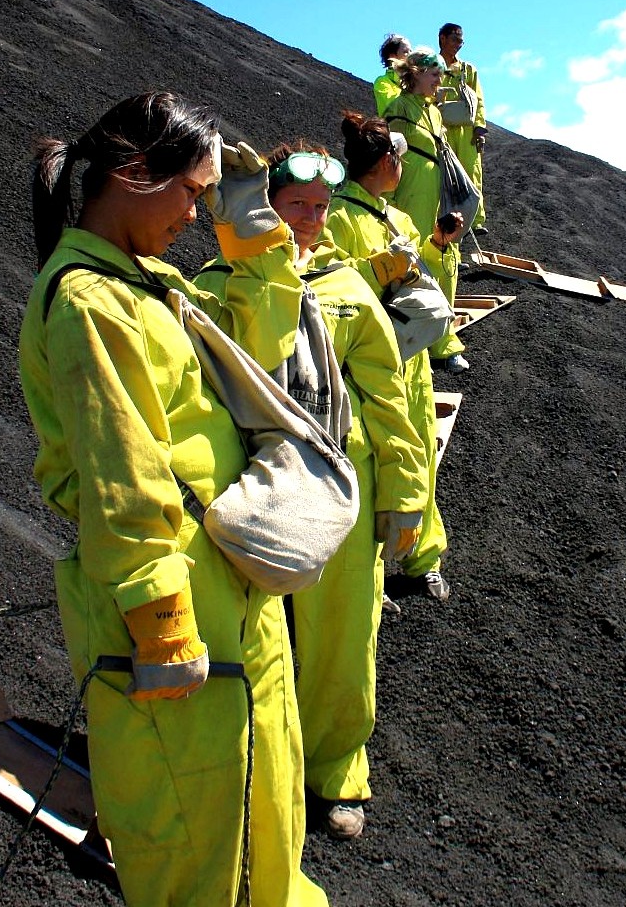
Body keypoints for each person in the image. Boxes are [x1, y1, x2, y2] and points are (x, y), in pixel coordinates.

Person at [18, 92, 372, 907]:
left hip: (235, 584)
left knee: (271, 779)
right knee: (185, 809)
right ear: (136, 172)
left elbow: (258, 341)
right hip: (165, 597)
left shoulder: (149, 284)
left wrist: (254, 233)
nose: (197, 212)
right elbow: (122, 481)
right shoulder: (89, 301)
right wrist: (162, 623)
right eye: (196, 191)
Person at [197, 141, 427, 843]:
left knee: (342, 638)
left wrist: (406, 493)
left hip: (335, 485)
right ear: (267, 203)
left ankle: (335, 772)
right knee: (249, 633)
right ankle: (248, 766)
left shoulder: (348, 288)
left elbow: (391, 397)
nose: (310, 219)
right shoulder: (217, 281)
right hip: (250, 485)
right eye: (296, 205)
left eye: (321, 207)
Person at [317, 112, 456, 604]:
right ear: (384, 162)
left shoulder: (397, 218)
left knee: (419, 456)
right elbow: (328, 281)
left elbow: (427, 275)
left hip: (412, 361)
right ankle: (370, 580)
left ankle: (423, 558)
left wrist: (437, 245)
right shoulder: (338, 217)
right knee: (375, 466)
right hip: (371, 364)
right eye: (397, 158)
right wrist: (380, 267)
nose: (402, 167)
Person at [382, 50, 470, 373]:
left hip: (437, 193)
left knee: (445, 258)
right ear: (417, 72)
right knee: (413, 260)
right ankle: (413, 343)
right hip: (409, 194)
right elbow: (388, 157)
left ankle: (442, 342)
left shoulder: (434, 112)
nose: (439, 81)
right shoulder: (398, 109)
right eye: (435, 74)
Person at [437, 22, 488, 233]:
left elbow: (479, 100)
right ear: (443, 39)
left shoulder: (469, 70)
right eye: (456, 39)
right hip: (443, 129)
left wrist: (479, 127)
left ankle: (475, 221)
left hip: (466, 130)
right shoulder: (432, 66)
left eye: (461, 40)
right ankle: (446, 218)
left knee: (471, 172)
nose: (460, 44)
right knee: (445, 174)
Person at [372, 33, 411, 116]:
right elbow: (396, 106)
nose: (411, 56)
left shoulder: (415, 81)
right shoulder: (382, 82)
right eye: (406, 52)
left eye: (411, 51)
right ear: (392, 56)